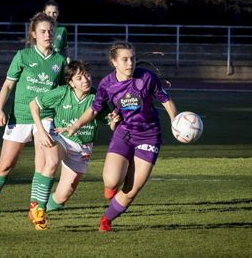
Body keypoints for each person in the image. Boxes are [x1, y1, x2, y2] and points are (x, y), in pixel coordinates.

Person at [65, 42, 178, 232]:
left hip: (149, 136)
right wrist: (76, 125)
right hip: (123, 134)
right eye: (124, 59)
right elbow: (94, 110)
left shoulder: (147, 78)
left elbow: (166, 101)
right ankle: (114, 181)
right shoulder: (107, 84)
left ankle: (106, 220)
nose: (130, 63)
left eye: (132, 58)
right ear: (114, 62)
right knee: (110, 182)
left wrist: (176, 123)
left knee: (131, 190)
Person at [0, 12, 67, 218]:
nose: (48, 34)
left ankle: (35, 207)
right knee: (5, 165)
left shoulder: (60, 60)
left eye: (50, 31)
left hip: (46, 117)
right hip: (20, 116)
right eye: (43, 31)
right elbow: (8, 84)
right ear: (33, 34)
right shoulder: (23, 56)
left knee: (42, 164)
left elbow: (62, 92)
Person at [27, 60, 120, 230]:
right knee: (52, 162)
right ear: (70, 82)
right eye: (79, 78)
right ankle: (38, 211)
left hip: (83, 148)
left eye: (87, 76)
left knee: (63, 196)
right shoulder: (62, 92)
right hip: (61, 138)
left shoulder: (96, 98)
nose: (85, 80)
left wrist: (114, 120)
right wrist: (41, 131)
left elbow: (110, 124)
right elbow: (34, 104)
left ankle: (43, 206)